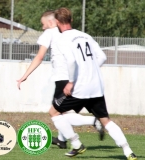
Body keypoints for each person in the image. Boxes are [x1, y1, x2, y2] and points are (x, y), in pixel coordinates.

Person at [51, 7, 137, 160]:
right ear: (71, 20)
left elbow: (71, 61)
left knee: (54, 112)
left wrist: (70, 82)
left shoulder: (61, 39)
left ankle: (76, 144)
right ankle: (128, 151)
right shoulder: (85, 36)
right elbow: (102, 57)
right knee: (106, 121)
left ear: (57, 22)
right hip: (96, 86)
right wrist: (89, 69)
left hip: (79, 87)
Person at [17, 10, 104, 150]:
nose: (43, 27)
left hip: (64, 79)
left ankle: (88, 127)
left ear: (52, 22)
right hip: (77, 78)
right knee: (63, 113)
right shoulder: (71, 34)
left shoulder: (49, 33)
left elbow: (39, 57)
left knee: (56, 113)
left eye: (43, 24)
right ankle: (62, 140)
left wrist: (24, 75)